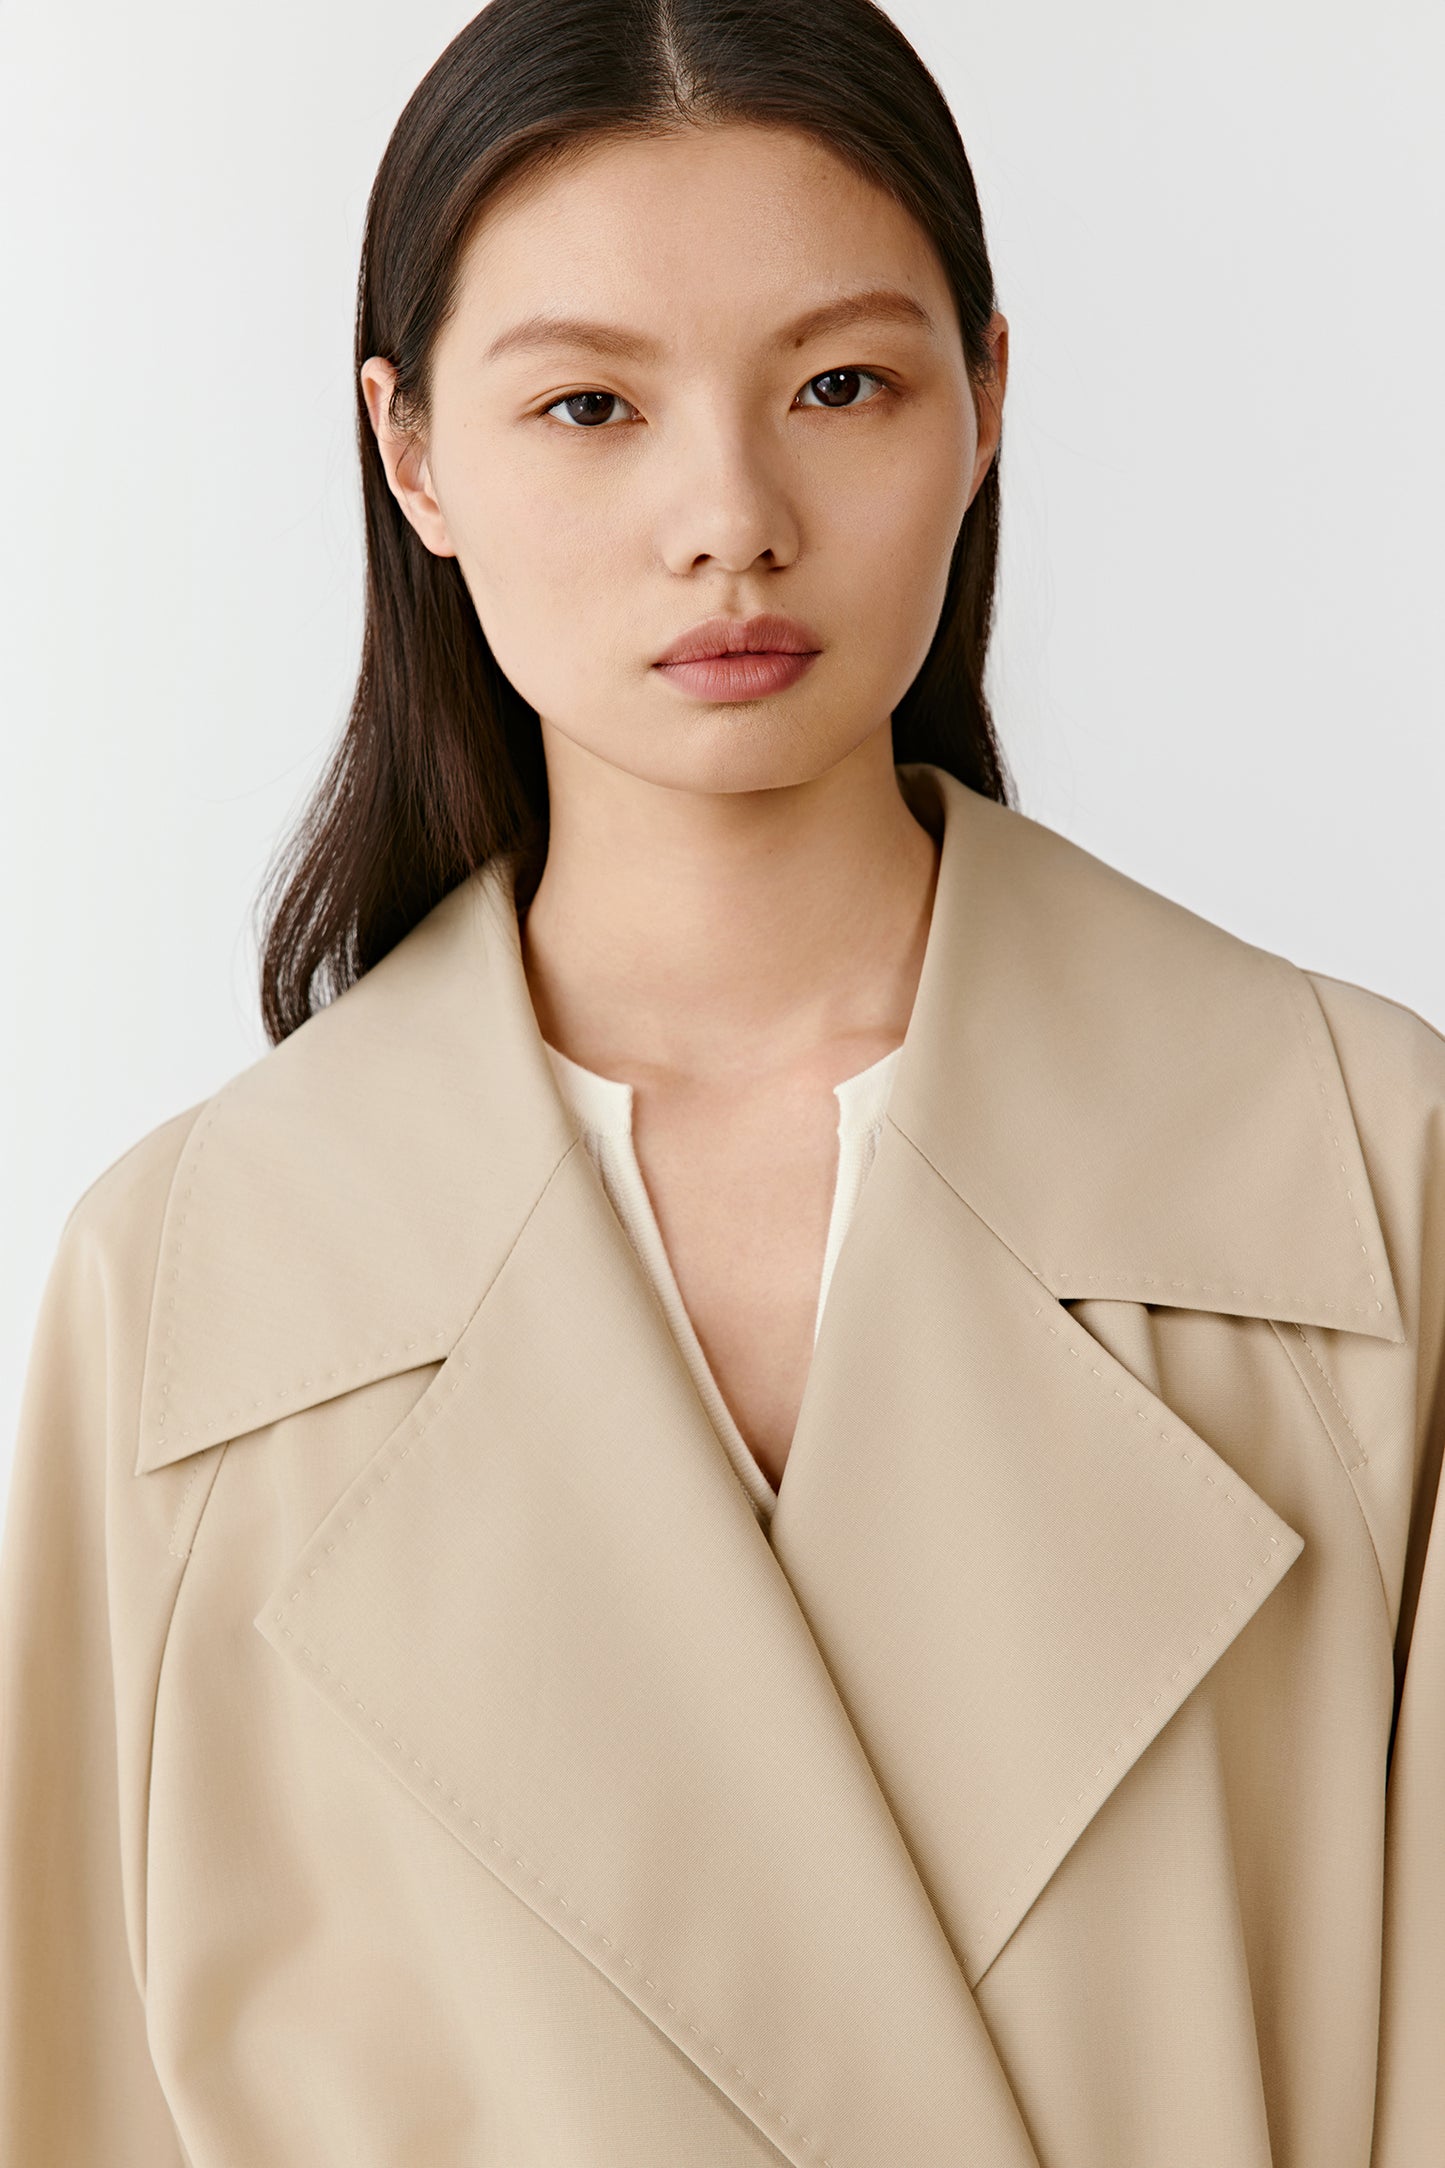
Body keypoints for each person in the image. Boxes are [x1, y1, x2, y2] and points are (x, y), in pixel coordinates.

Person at [2, 2, 1442, 2163]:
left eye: (840, 385)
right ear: (412, 454)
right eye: (589, 402)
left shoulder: (1352, 1167)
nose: (729, 517)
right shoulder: (200, 1291)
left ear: (988, 400)